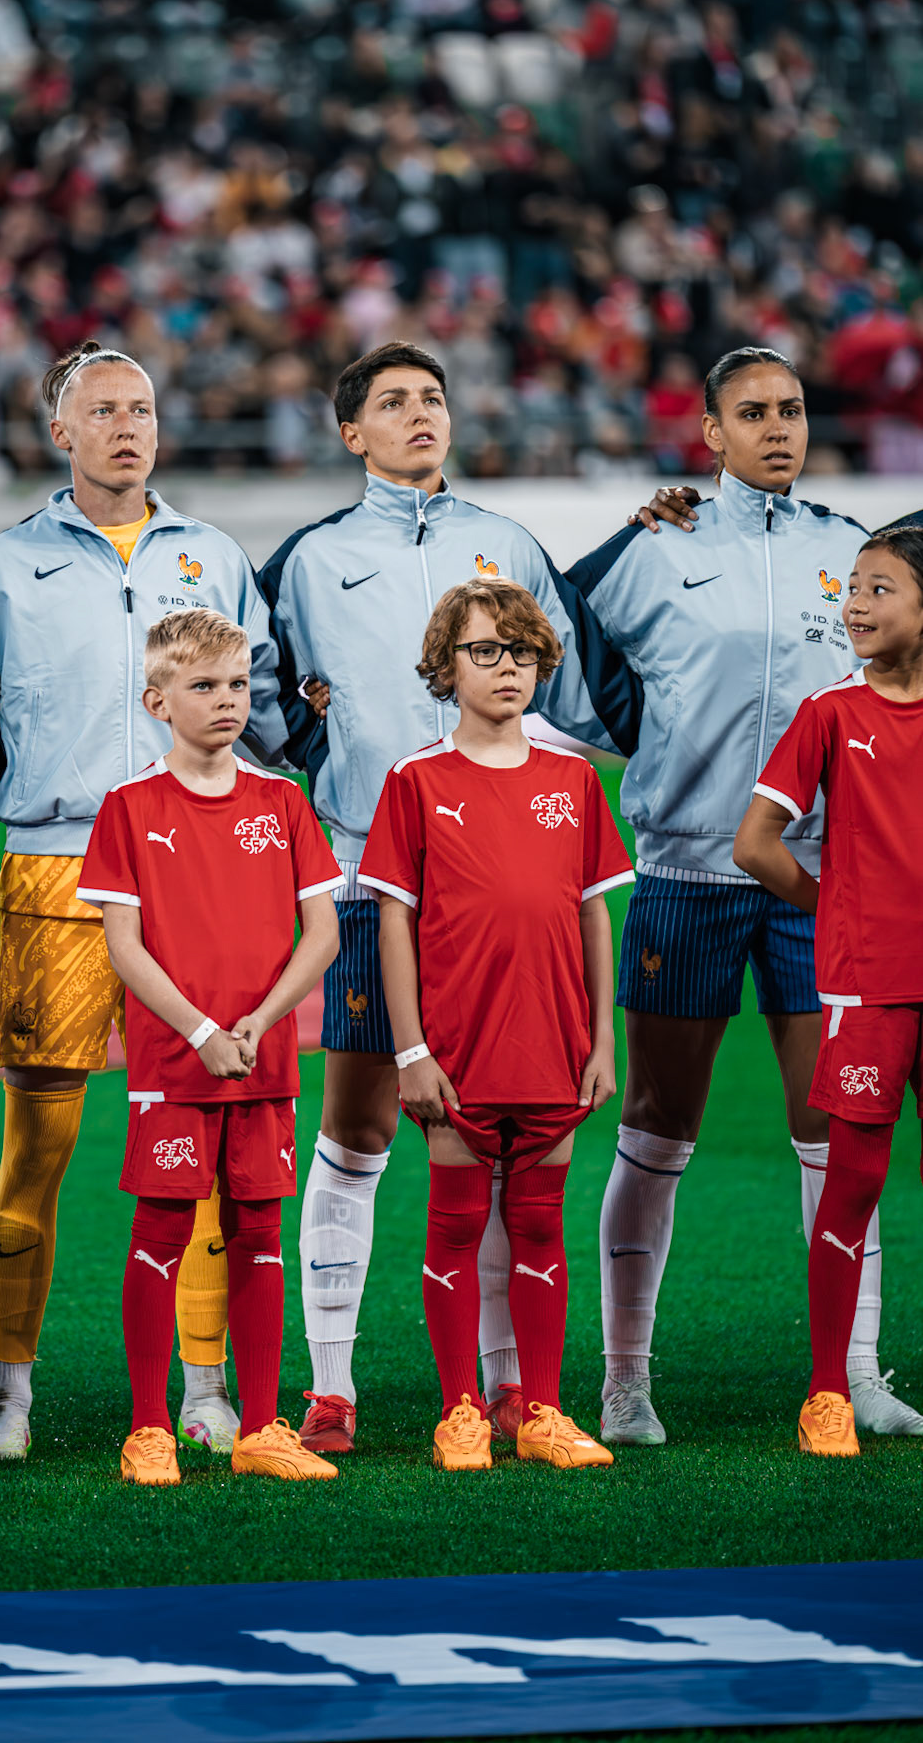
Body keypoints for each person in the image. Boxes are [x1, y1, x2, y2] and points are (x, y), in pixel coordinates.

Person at [259, 340, 641, 1455]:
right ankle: (332, 1386)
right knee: (364, 1123)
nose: (420, 414)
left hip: (507, 872)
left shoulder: (509, 542)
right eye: (393, 402)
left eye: (432, 397)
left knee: (505, 1145)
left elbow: (566, 673)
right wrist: (317, 725)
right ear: (350, 433)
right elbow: (271, 705)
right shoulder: (311, 556)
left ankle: (506, 1395)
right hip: (370, 878)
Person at [567, 347, 921, 1445]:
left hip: (821, 884)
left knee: (834, 1125)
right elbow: (565, 643)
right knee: (659, 1126)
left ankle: (854, 1373)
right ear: (707, 431)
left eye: (793, 409)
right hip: (683, 870)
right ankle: (627, 1381)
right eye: (753, 412)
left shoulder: (844, 551)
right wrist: (648, 733)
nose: (779, 427)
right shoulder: (657, 541)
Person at [0, 342, 285, 1461]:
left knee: (205, 1137)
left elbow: (264, 698)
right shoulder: (1, 564)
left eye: (141, 407)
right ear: (61, 430)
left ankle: (201, 1390)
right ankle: (10, 1395)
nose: (127, 425)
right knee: (36, 1142)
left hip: (201, 874)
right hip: (52, 871)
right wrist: (36, 791)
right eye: (103, 409)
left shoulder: (217, 555)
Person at [361, 578, 632, 1469]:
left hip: (552, 1041)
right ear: (446, 665)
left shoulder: (574, 780)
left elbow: (594, 915)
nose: (506, 667)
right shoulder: (415, 780)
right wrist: (410, 1049)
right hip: (455, 1047)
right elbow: (393, 919)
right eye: (484, 651)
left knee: (543, 1224)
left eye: (521, 651)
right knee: (452, 1225)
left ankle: (545, 1411)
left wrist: (601, 1039)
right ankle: (459, 1411)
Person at [78, 609, 342, 1484]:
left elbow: (321, 936)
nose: (226, 701)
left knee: (260, 1231)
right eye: (203, 686)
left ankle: (264, 1428)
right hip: (173, 1064)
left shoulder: (282, 800)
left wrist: (259, 1025)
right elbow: (124, 944)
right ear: (157, 700)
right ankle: (148, 1427)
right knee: (160, 1228)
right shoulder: (128, 807)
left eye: (237, 684)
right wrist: (198, 1031)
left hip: (261, 1061)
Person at [735, 527, 923, 1456]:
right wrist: (836, 903)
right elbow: (754, 843)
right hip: (866, 989)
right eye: (851, 586)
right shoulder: (829, 712)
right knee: (852, 1185)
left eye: (878, 588)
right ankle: (825, 1395)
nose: (852, 603)